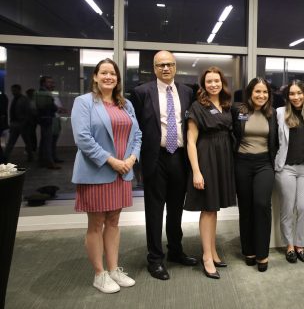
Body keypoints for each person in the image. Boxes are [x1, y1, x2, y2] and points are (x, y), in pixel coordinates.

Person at [71, 58, 141, 293]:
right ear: (95, 76)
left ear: (118, 79)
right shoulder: (84, 102)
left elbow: (137, 135)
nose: (109, 77)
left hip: (122, 173)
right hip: (97, 172)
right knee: (96, 224)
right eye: (104, 73)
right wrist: (112, 161)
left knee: (113, 222)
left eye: (113, 73)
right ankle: (99, 274)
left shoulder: (126, 104)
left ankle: (113, 270)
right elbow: (82, 138)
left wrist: (131, 160)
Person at [130, 50, 198, 281]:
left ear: (176, 66)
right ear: (154, 68)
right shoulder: (141, 92)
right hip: (155, 158)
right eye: (161, 65)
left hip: (179, 157)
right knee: (154, 210)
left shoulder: (188, 92)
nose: (166, 68)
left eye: (169, 64)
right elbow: (136, 128)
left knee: (176, 209)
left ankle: (176, 251)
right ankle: (155, 259)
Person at [184, 67, 236, 279]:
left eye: (217, 81)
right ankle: (206, 256)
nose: (213, 84)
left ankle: (213, 251)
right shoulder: (198, 106)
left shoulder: (225, 105)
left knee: (214, 208)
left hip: (223, 159)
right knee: (207, 209)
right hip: (206, 159)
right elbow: (190, 141)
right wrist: (196, 171)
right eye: (209, 81)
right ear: (203, 85)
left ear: (222, 83)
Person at [232, 78, 278, 272]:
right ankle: (248, 250)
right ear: (250, 93)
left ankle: (262, 253)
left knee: (261, 205)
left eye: (265, 92)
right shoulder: (238, 111)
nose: (261, 96)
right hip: (242, 163)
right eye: (257, 92)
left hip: (264, 164)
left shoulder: (272, 113)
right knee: (246, 207)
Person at [274, 80, 304, 264]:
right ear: (287, 97)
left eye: (299, 93)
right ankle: (290, 246)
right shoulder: (279, 113)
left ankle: (301, 245)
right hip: (287, 168)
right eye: (292, 94)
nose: (296, 97)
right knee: (287, 208)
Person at [4, 84, 36, 162]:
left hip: (21, 124)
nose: (13, 92)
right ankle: (5, 158)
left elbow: (28, 112)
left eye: (14, 90)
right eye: (12, 90)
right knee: (13, 142)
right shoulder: (16, 99)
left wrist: (24, 123)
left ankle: (30, 157)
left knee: (26, 142)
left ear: (19, 90)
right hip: (16, 123)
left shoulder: (23, 99)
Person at [36, 76, 59, 169]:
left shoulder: (43, 92)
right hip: (46, 119)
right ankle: (49, 162)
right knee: (47, 142)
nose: (52, 84)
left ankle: (42, 161)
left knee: (44, 141)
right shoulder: (43, 93)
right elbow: (49, 107)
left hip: (44, 119)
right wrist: (55, 108)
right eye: (49, 82)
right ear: (43, 83)